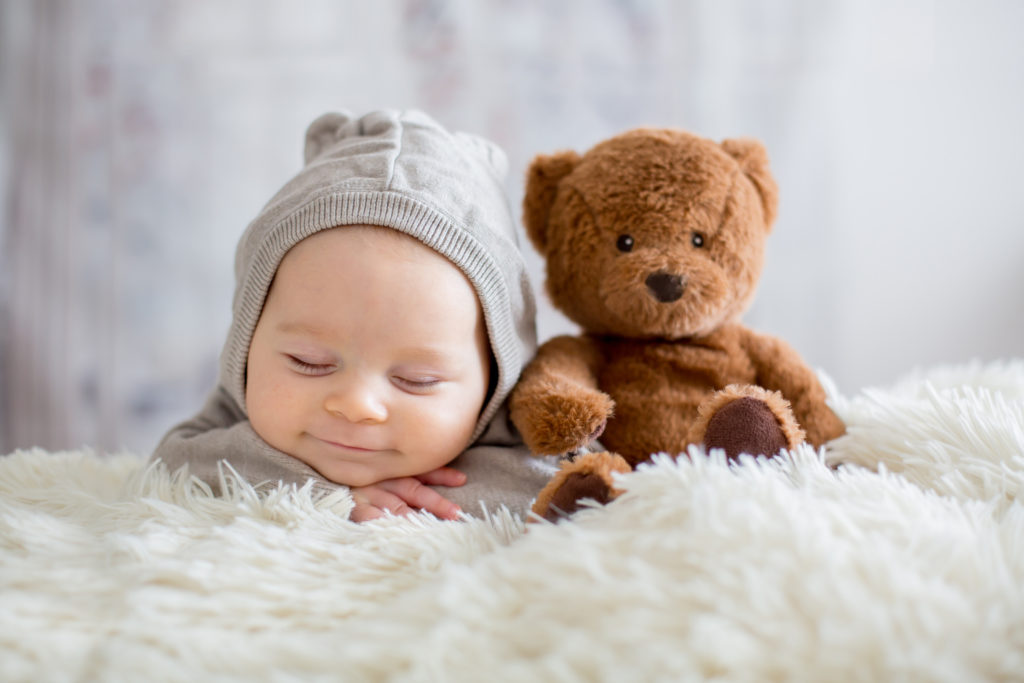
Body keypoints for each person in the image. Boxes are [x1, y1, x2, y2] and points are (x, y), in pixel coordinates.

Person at [150, 109, 554, 521]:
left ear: (495, 376)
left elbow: (567, 487)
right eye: (309, 362)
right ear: (248, 340)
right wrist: (328, 494)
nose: (356, 405)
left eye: (417, 381)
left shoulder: (531, 423)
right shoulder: (233, 412)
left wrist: (425, 497)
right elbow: (173, 465)